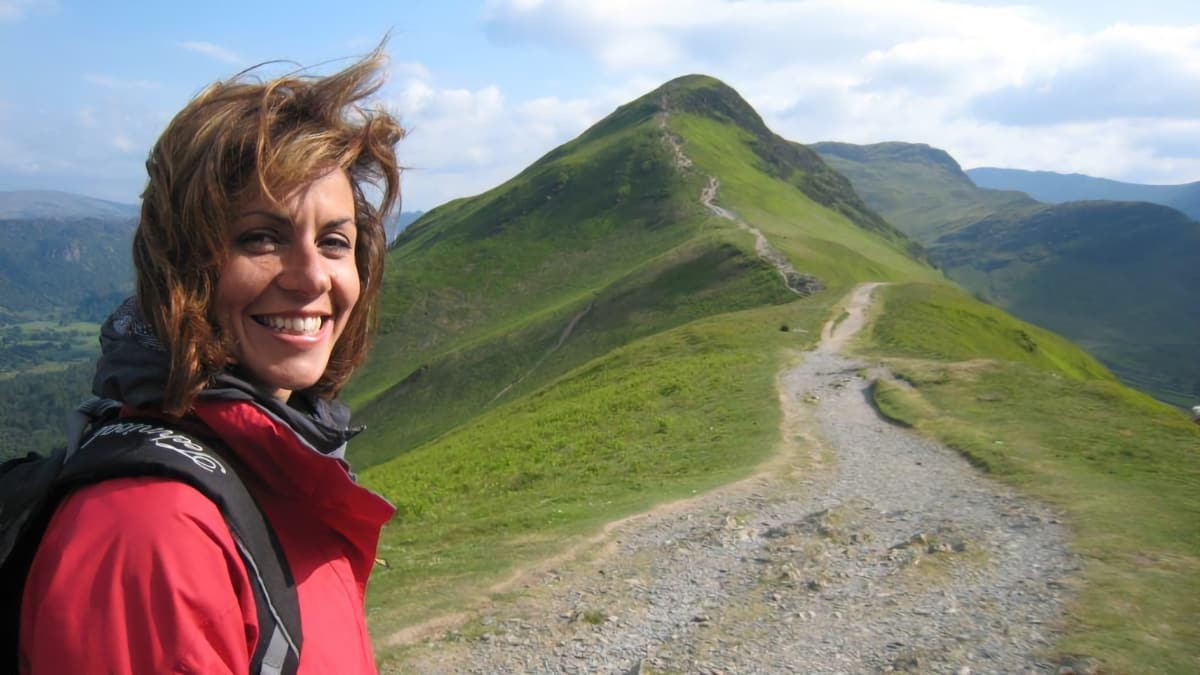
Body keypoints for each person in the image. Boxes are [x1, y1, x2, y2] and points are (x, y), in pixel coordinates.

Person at [19, 46, 403, 674]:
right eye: (261, 238)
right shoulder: (154, 531)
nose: (313, 277)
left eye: (335, 241)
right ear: (183, 265)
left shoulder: (272, 471)